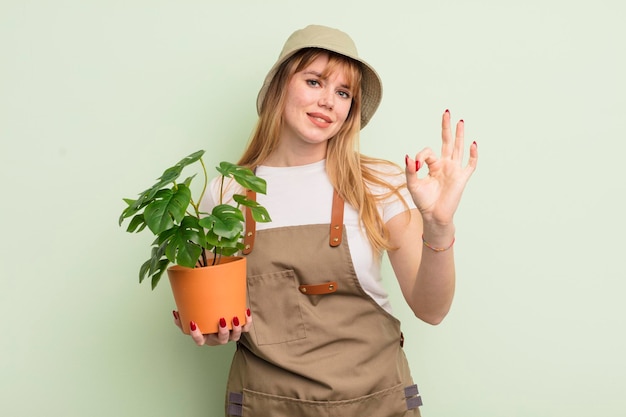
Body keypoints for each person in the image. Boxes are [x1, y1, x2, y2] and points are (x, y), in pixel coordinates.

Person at [172, 24, 478, 417]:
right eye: (314, 81)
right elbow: (217, 311)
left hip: (375, 404)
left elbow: (431, 309)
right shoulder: (226, 192)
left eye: (343, 92)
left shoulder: (379, 184)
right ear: (281, 85)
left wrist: (438, 224)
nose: (328, 102)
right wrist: (212, 331)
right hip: (268, 406)